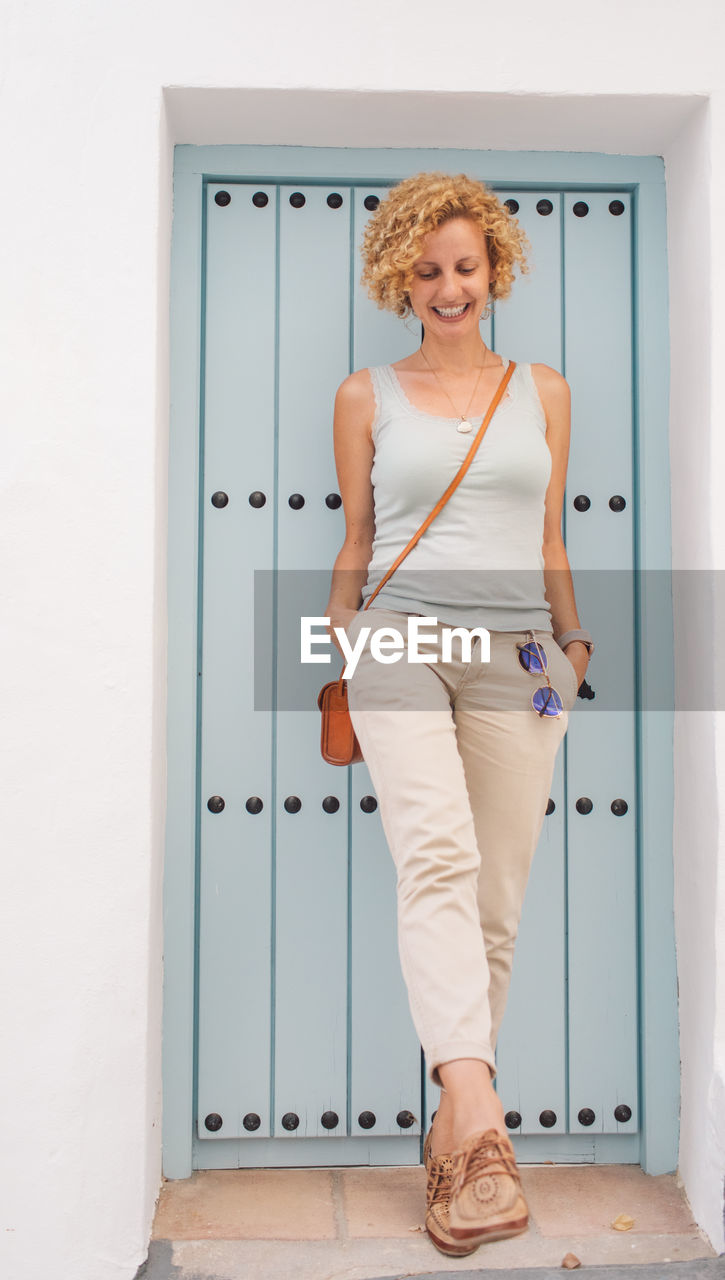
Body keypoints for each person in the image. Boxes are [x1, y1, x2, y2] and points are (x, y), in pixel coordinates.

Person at [323, 171, 593, 1258]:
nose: (447, 287)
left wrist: (572, 651)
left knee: (494, 890)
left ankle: (449, 1133)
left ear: (495, 269)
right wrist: (340, 633)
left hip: (520, 650)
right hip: (397, 638)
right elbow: (355, 536)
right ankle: (483, 1113)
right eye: (425, 270)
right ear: (401, 276)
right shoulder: (363, 394)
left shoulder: (545, 389)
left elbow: (549, 539)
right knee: (434, 854)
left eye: (464, 268)